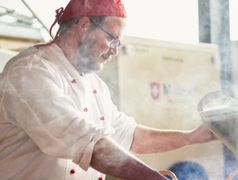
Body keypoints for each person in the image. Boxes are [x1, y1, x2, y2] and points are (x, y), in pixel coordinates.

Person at [0, 0, 216, 179]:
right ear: (84, 26)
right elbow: (85, 141)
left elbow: (130, 136)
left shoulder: (94, 84)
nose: (114, 51)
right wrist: (150, 177)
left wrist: (191, 137)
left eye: (119, 43)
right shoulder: (30, 72)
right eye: (112, 38)